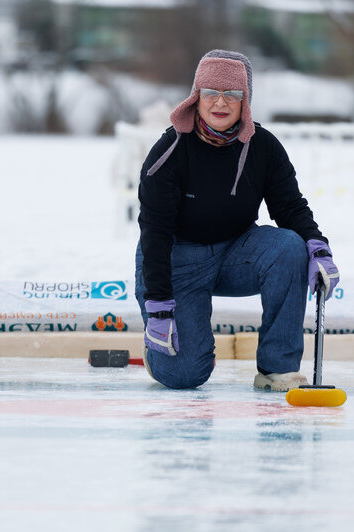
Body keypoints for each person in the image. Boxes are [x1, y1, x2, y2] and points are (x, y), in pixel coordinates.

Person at [135, 49, 339, 391]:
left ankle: (277, 368)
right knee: (184, 376)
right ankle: (168, 356)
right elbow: (155, 231)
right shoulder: (170, 151)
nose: (221, 102)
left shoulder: (264, 147)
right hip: (176, 259)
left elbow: (289, 206)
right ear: (196, 97)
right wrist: (158, 304)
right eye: (211, 93)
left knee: (289, 247)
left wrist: (318, 246)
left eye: (233, 94)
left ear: (245, 101)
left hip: (236, 252)